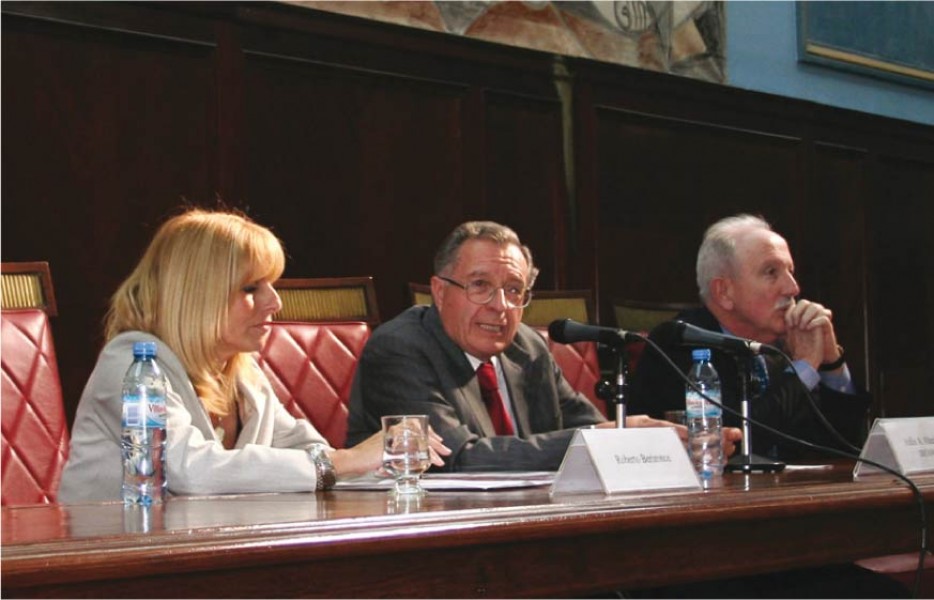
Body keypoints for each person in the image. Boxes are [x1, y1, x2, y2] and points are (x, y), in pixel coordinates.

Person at [58, 208, 450, 502]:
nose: (275, 302)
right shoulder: (130, 363)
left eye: (272, 286)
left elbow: (308, 451)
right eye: (251, 289)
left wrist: (382, 460)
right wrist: (345, 462)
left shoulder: (242, 373)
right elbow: (188, 471)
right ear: (197, 296)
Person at [346, 220, 740, 471]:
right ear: (439, 291)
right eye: (480, 286)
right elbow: (457, 459)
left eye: (514, 290)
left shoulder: (527, 347)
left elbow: (589, 429)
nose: (500, 307)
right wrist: (608, 437)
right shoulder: (399, 349)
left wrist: (665, 442)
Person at [629, 213, 871, 460]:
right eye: (771, 272)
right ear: (724, 292)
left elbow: (845, 448)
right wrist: (805, 366)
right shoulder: (678, 344)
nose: (793, 288)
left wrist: (831, 364)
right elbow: (737, 442)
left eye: (791, 271)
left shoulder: (784, 348)